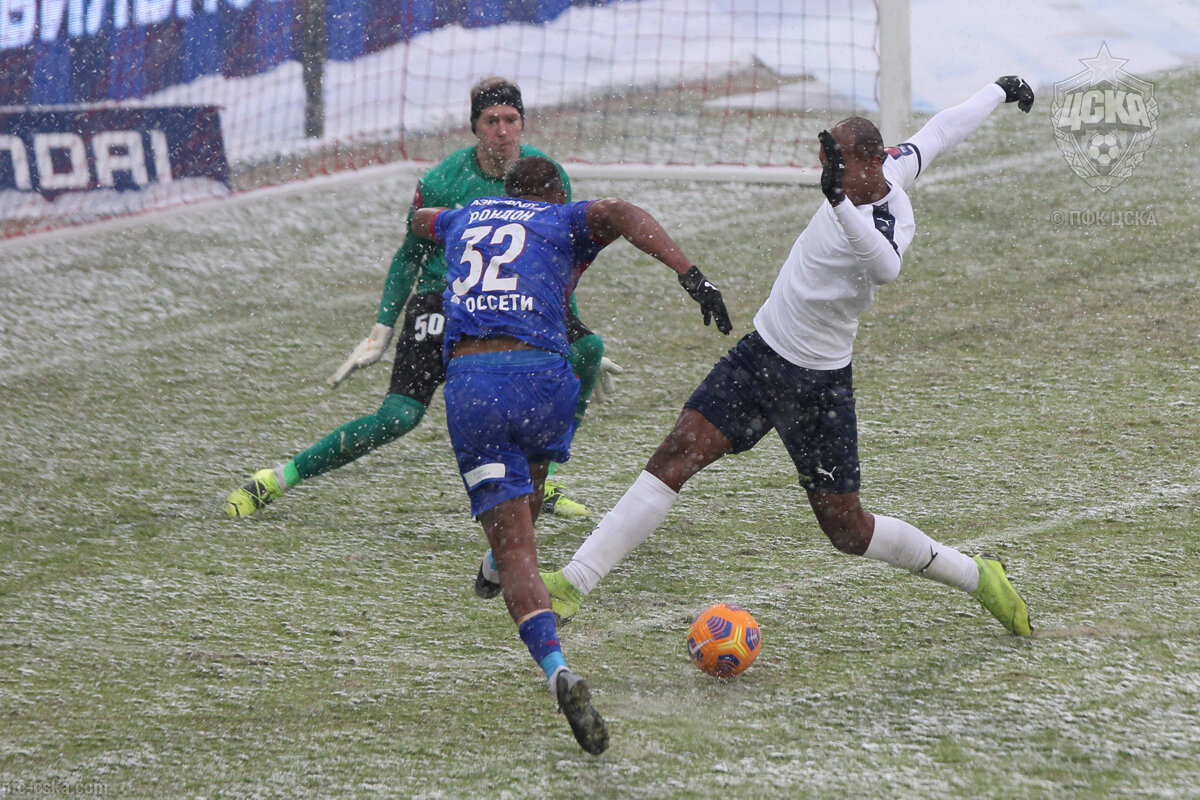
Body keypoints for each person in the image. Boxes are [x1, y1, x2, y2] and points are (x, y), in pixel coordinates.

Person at [529, 76, 1037, 636]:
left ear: (869, 165)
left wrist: (840, 203)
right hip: (760, 354)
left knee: (847, 530)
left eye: (835, 164)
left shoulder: (886, 215)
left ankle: (977, 575)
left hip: (817, 385)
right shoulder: (885, 162)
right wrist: (998, 90)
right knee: (677, 453)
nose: (827, 172)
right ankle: (574, 582)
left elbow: (885, 268)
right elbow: (941, 130)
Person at [409, 155, 730, 753]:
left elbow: (420, 219)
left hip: (474, 381)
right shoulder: (561, 220)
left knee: (518, 550)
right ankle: (491, 567)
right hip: (543, 381)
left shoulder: (463, 217)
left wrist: (434, 215)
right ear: (558, 196)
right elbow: (623, 212)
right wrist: (691, 275)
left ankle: (557, 668)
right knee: (526, 495)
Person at [225, 77, 606, 520]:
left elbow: (554, 260)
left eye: (511, 119)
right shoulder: (442, 180)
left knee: (587, 349)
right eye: (491, 120)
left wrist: (566, 327)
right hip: (443, 300)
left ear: (522, 123)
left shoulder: (546, 175)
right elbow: (409, 255)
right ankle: (277, 478)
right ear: (475, 127)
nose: (502, 130)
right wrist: (381, 327)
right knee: (399, 416)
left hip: (511, 296)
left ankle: (543, 481)